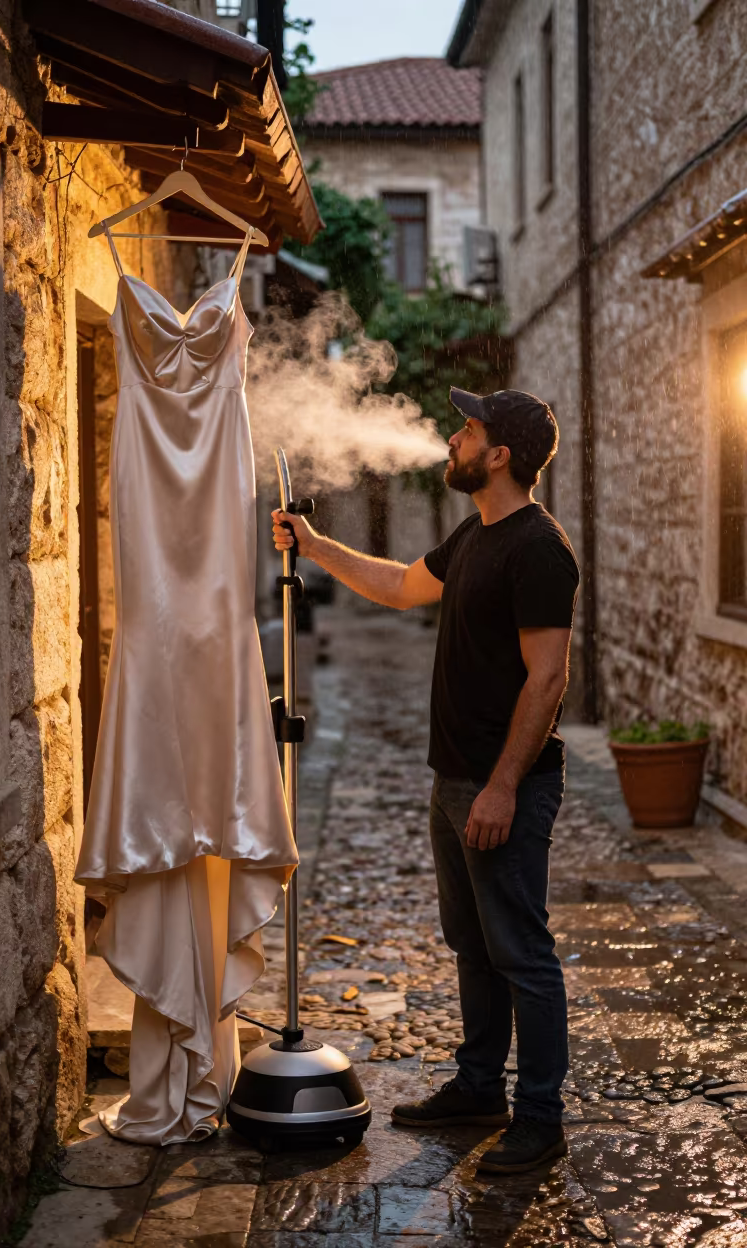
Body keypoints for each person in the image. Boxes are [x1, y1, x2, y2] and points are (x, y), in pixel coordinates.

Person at [271, 388, 579, 1175]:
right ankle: (480, 1087)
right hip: (454, 779)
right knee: (472, 945)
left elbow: (547, 679)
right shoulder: (476, 534)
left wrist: (503, 786)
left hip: (501, 785)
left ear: (499, 453)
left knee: (522, 952)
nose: (451, 438)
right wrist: (314, 546)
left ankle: (540, 1118)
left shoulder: (539, 548)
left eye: (466, 430)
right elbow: (402, 584)